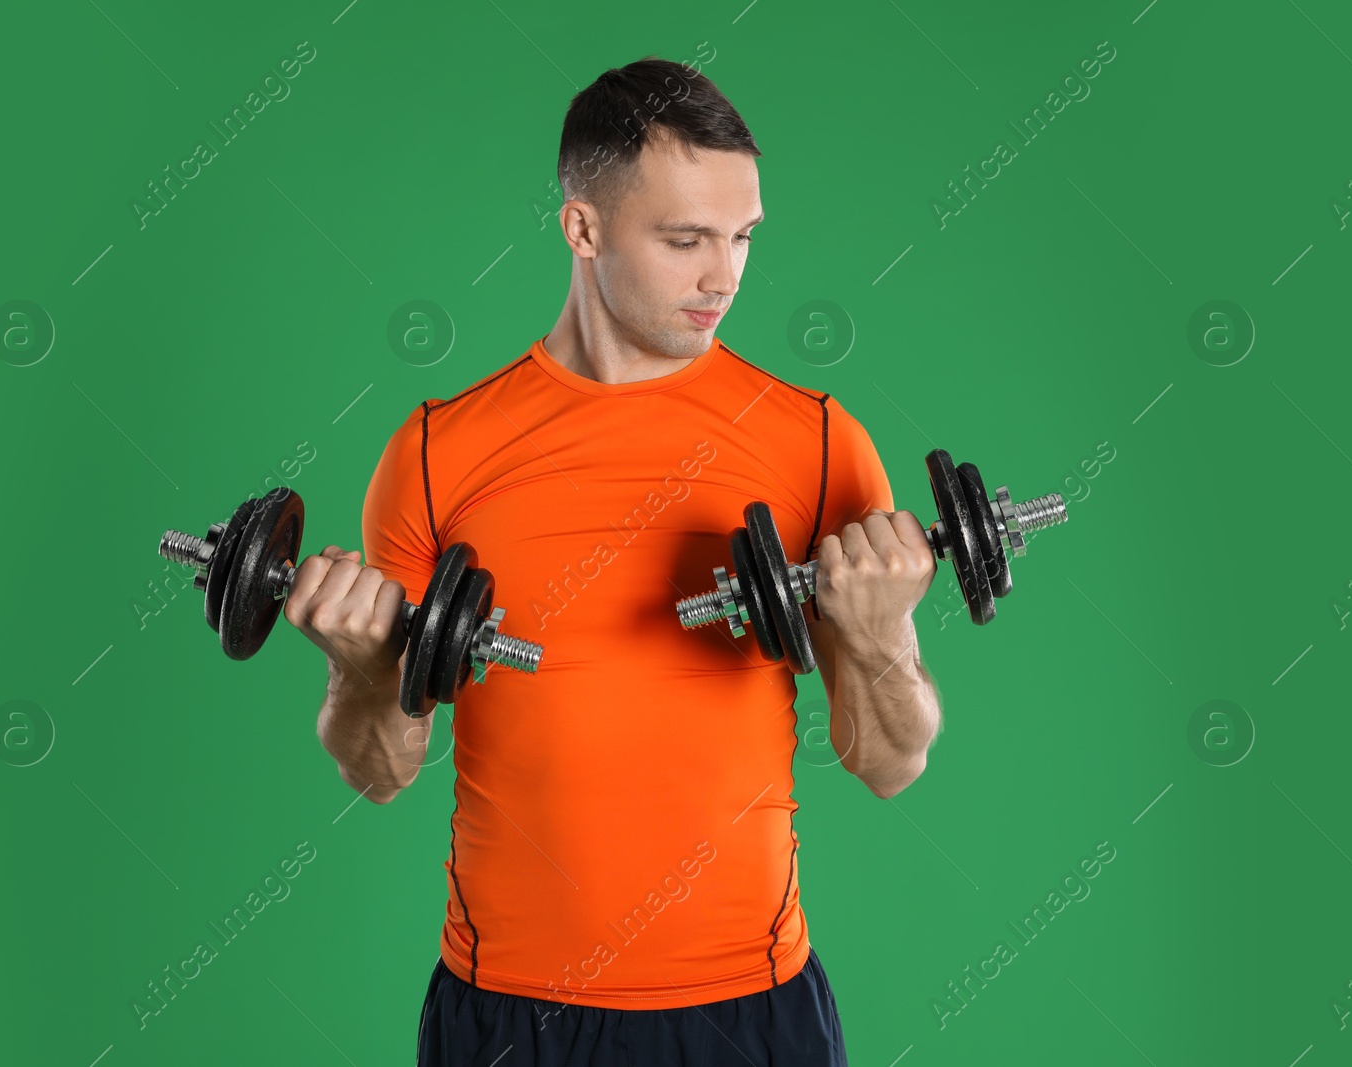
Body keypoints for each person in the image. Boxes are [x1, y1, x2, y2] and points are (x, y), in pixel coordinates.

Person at [283, 55, 943, 1067]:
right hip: (508, 1013)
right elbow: (382, 771)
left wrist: (882, 630)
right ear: (582, 228)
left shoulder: (815, 441)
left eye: (741, 237)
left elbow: (889, 761)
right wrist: (360, 665)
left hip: (748, 1005)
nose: (723, 275)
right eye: (684, 240)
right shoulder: (435, 451)